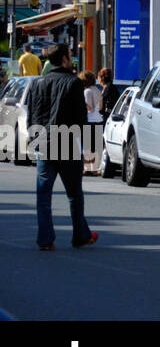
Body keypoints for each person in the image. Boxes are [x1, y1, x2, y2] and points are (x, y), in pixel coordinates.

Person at [27, 44, 97, 250]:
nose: (72, 59)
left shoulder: (37, 83)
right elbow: (80, 117)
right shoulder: (73, 83)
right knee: (74, 195)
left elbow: (32, 115)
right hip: (66, 144)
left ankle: (46, 239)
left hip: (43, 144)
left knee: (43, 196)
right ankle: (80, 235)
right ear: (64, 60)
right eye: (70, 56)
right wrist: (88, 147)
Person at [80, 70, 103, 176]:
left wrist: (81, 102)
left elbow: (90, 107)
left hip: (89, 120)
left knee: (87, 146)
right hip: (98, 120)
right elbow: (100, 107)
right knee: (96, 147)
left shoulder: (87, 91)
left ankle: (87, 168)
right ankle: (95, 169)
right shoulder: (97, 90)